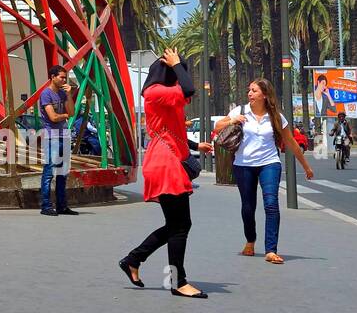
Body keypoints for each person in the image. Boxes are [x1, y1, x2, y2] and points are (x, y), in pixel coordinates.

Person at [119, 48, 213, 297]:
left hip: (168, 159)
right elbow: (190, 88)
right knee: (180, 226)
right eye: (174, 68)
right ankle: (178, 282)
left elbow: (174, 130)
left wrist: (195, 146)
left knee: (177, 224)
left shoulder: (167, 95)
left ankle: (133, 259)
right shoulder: (155, 91)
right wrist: (176, 63)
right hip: (165, 163)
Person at [214, 78, 313, 263]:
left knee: (271, 204)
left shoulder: (276, 116)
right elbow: (217, 126)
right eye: (249, 90)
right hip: (243, 164)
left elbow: (290, 142)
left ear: (265, 95)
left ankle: (271, 250)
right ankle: (250, 241)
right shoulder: (240, 111)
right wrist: (232, 120)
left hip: (270, 163)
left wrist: (306, 166)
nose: (250, 94)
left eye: (254, 91)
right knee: (248, 207)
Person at [39, 65, 78, 215]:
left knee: (63, 173)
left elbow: (72, 111)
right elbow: (53, 117)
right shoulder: (46, 94)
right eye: (61, 77)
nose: (64, 80)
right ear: (52, 77)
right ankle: (46, 206)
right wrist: (65, 116)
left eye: (65, 77)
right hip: (52, 137)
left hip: (64, 136)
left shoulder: (63, 94)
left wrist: (69, 95)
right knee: (49, 172)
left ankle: (62, 206)